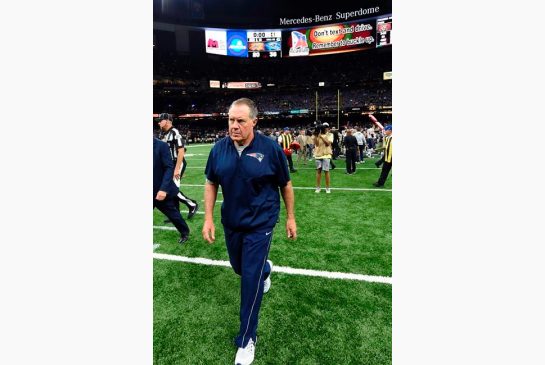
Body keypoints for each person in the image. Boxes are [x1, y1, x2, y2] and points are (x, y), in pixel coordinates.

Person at [202, 98, 297, 365]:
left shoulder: (270, 148)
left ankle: (246, 339)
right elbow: (211, 183)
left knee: (249, 282)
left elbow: (286, 185)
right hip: (232, 222)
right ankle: (265, 270)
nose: (234, 125)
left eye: (240, 121)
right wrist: (208, 218)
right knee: (240, 268)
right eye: (231, 120)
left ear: (254, 121)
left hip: (261, 224)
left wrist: (290, 218)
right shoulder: (219, 149)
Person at [157, 113, 199, 220]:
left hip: (177, 163)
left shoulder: (175, 132)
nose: (159, 122)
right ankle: (176, 213)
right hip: (169, 164)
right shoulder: (163, 133)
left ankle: (192, 205)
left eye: (161, 120)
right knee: (172, 189)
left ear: (167, 121)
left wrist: (177, 169)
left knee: (173, 189)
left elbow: (181, 151)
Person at [153, 137, 190, 244]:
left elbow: (169, 168)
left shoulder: (161, 145)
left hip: (159, 189)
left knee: (173, 214)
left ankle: (185, 232)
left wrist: (163, 189)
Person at [313, 122, 334, 193]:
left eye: (326, 127)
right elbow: (316, 144)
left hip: (326, 154)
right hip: (318, 154)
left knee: (326, 171)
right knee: (318, 171)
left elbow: (328, 144)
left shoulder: (330, 134)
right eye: (324, 127)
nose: (325, 128)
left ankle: (327, 188)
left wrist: (322, 137)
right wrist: (317, 136)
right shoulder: (318, 134)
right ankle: (318, 187)